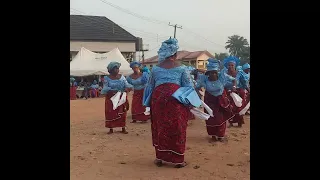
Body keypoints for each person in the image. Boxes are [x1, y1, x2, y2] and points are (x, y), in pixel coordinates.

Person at [143, 38, 195, 168]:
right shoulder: (182, 68)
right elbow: (188, 86)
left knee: (160, 127)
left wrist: (148, 103)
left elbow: (150, 86)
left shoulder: (155, 69)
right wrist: (192, 103)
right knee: (178, 127)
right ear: (175, 54)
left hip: (158, 99)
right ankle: (178, 160)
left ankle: (160, 158)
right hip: (176, 99)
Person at [196, 58, 235, 142]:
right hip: (210, 102)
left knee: (220, 118)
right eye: (211, 73)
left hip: (220, 102)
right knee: (211, 119)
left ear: (217, 73)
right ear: (208, 74)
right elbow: (197, 87)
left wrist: (233, 87)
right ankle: (213, 136)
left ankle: (220, 136)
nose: (213, 74)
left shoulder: (222, 77)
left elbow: (233, 80)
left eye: (215, 72)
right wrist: (198, 94)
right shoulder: (204, 80)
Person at [101, 62, 133, 134]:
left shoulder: (122, 77)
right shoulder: (106, 78)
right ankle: (111, 128)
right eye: (115, 69)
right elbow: (105, 87)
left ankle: (123, 128)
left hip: (121, 97)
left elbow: (126, 84)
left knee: (122, 112)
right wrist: (113, 90)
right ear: (111, 70)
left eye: (118, 68)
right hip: (111, 97)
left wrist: (129, 88)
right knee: (110, 112)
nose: (117, 70)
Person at [222, 56, 249, 127]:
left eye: (232, 65)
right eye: (229, 65)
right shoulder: (224, 74)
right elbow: (222, 83)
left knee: (239, 108)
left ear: (235, 65)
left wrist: (248, 90)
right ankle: (231, 122)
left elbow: (244, 83)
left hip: (239, 93)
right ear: (227, 66)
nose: (230, 66)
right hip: (228, 93)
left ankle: (240, 122)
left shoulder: (239, 73)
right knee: (230, 107)